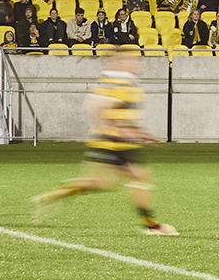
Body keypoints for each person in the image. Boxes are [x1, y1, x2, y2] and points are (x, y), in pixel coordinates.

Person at [31, 60, 177, 233]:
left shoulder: (123, 85)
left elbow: (119, 115)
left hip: (120, 143)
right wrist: (119, 130)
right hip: (112, 142)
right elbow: (100, 110)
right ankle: (151, 226)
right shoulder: (118, 85)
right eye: (131, 60)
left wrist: (143, 135)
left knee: (117, 181)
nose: (136, 64)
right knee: (119, 180)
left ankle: (53, 196)